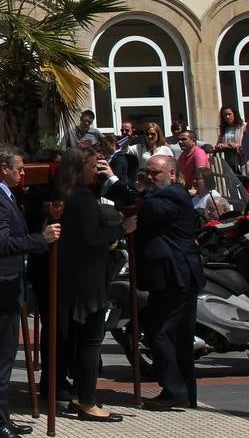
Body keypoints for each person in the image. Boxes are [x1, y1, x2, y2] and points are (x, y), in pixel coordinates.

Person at [98, 152, 203, 409]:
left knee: (160, 332)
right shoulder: (157, 193)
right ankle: (183, 392)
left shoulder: (172, 195)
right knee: (174, 335)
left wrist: (112, 180)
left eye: (155, 172)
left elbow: (146, 207)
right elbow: (139, 202)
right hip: (169, 277)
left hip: (175, 276)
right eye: (146, 172)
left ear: (172, 174)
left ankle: (175, 390)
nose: (149, 177)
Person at [0, 144, 59, 437]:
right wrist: (39, 240)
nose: (23, 173)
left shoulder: (6, 195)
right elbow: (0, 243)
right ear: (3, 169)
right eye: (18, 168)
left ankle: (1, 416)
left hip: (9, 284)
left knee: (4, 356)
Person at [49, 148, 127, 423]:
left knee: (80, 340)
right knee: (91, 341)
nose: (97, 170)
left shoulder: (68, 194)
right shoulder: (81, 197)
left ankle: (80, 396)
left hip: (75, 276)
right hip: (87, 279)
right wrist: (121, 229)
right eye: (94, 165)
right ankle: (87, 401)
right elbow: (92, 237)